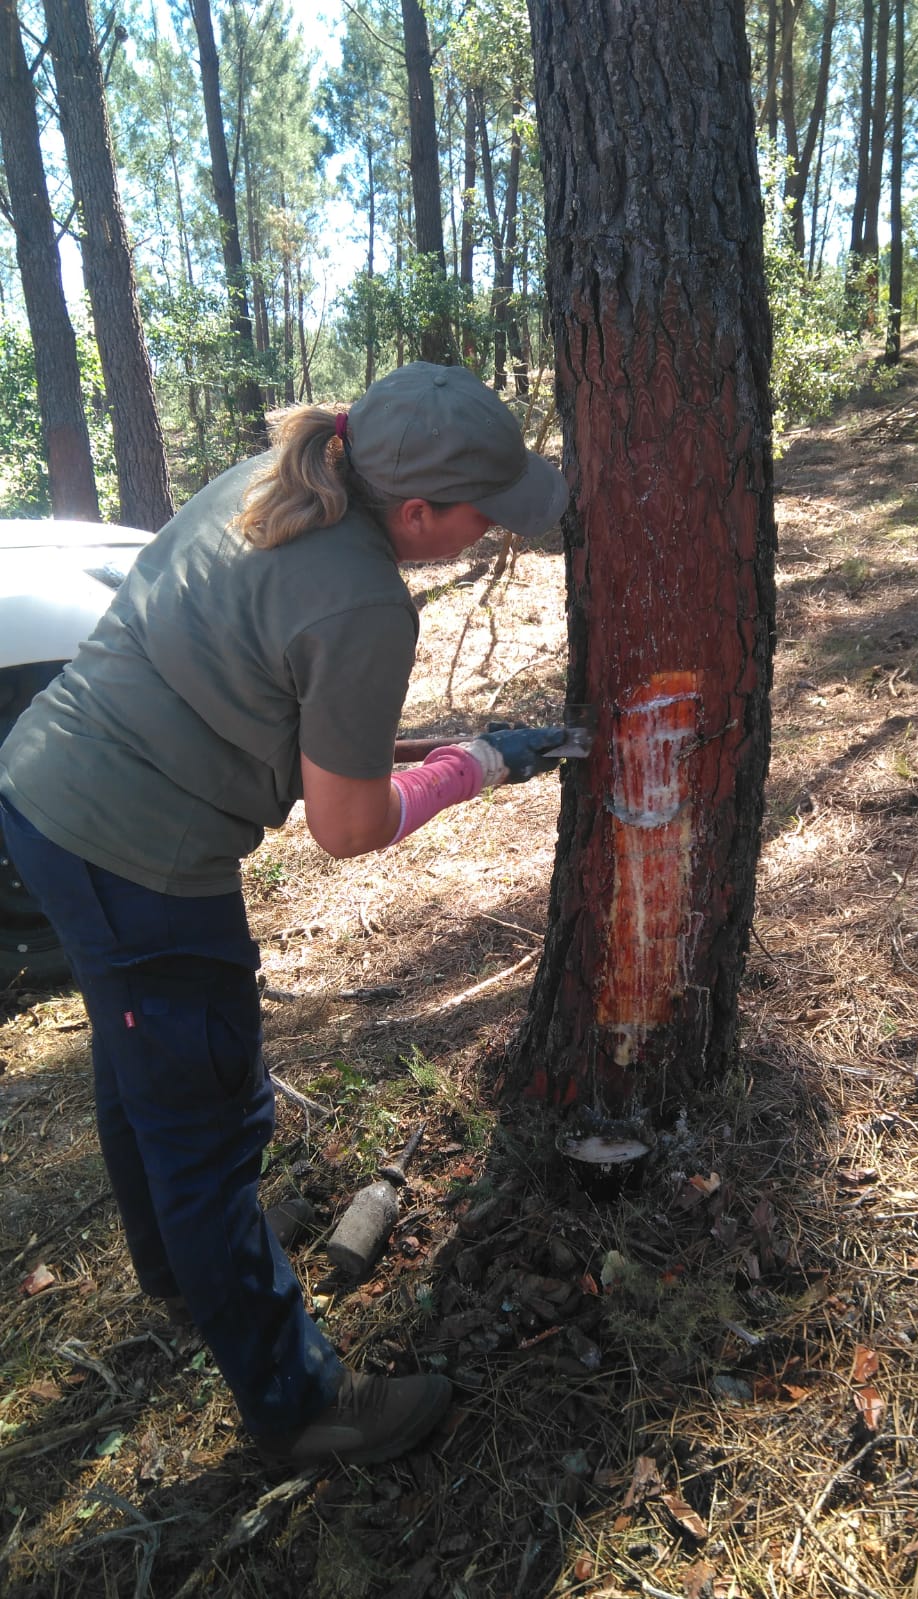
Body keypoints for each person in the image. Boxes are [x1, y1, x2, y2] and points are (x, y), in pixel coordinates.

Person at [0, 363, 571, 1469]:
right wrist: (477, 765)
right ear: (415, 511)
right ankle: (298, 1405)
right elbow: (347, 828)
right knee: (207, 1119)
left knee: (140, 1068)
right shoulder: (363, 598)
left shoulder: (278, 476)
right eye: (479, 517)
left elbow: (244, 677)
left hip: (43, 795)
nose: (487, 536)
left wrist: (424, 749)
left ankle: (178, 1272)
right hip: (139, 858)